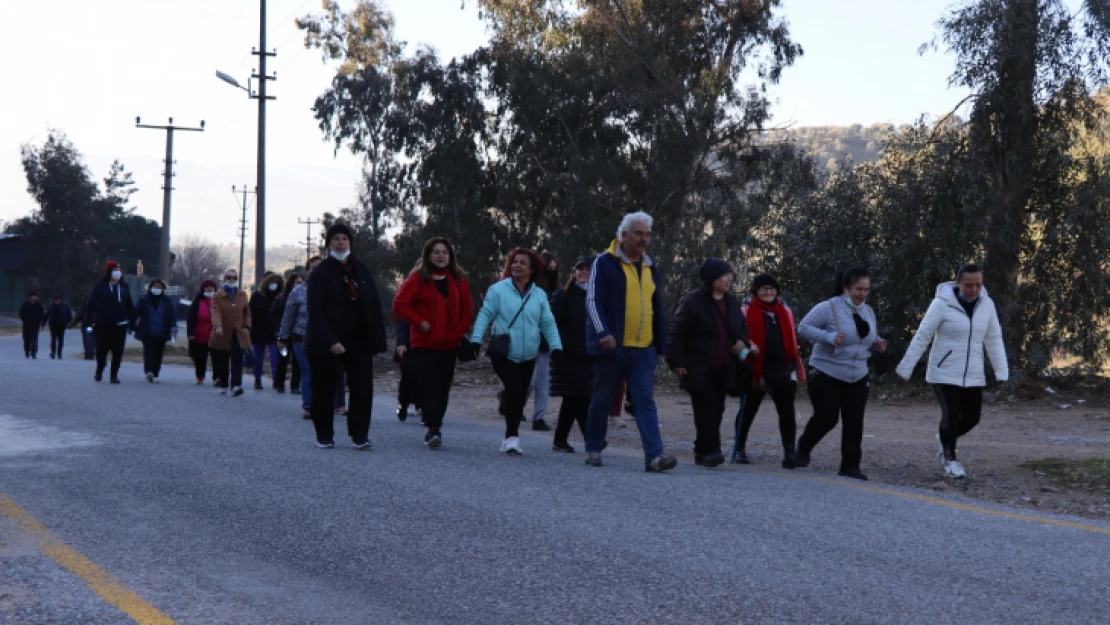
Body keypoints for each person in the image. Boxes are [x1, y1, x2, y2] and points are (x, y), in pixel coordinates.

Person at [583, 212, 678, 472]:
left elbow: (654, 305)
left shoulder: (649, 266)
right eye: (638, 233)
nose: (644, 239)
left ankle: (654, 457)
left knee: (644, 400)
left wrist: (660, 344)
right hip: (612, 347)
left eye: (647, 234)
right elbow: (592, 301)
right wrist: (603, 333)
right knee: (603, 397)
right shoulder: (604, 262)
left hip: (643, 348)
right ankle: (593, 445)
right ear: (623, 235)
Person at [896, 264, 1008, 479]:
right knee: (952, 414)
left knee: (972, 418)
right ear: (958, 284)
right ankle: (950, 460)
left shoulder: (987, 305)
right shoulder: (941, 304)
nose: (973, 289)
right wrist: (905, 368)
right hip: (943, 371)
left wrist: (1001, 371)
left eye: (978, 285)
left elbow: (994, 338)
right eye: (968, 285)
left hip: (973, 373)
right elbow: (923, 335)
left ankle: (945, 436)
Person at [795, 267, 887, 481]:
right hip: (826, 370)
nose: (862, 294)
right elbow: (803, 327)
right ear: (846, 288)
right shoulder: (828, 307)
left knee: (854, 420)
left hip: (858, 373)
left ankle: (850, 466)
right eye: (858, 289)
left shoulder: (868, 311)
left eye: (866, 289)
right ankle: (803, 448)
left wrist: (877, 343)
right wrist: (828, 337)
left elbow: (864, 336)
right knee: (827, 417)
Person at [469, 248, 563, 455]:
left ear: (532, 269)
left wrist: (557, 346)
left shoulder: (538, 295)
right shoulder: (498, 290)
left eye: (522, 263)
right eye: (515, 262)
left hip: (529, 353)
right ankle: (512, 437)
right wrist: (476, 339)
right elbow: (485, 314)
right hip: (504, 352)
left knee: (518, 396)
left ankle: (509, 433)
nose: (516, 266)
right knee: (514, 390)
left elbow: (547, 322)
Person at [304, 225, 387, 449]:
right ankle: (324, 434)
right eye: (336, 239)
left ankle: (359, 435)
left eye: (344, 239)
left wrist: (377, 339)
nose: (341, 242)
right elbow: (315, 310)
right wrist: (331, 340)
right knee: (324, 388)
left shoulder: (360, 270)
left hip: (358, 339)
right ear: (329, 243)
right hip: (327, 340)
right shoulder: (321, 272)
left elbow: (373, 304)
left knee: (362, 388)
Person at [666, 259, 752, 468]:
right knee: (704, 409)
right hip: (699, 366)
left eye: (730, 275)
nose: (729, 278)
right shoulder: (693, 301)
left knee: (718, 409)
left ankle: (707, 448)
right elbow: (677, 332)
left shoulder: (732, 302)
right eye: (724, 275)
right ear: (711, 278)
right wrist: (676, 361)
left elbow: (742, 328)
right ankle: (708, 451)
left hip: (725, 366)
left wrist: (743, 342)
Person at [393, 236, 474, 449]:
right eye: (436, 252)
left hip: (450, 344)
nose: (440, 255)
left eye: (445, 252)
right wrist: (420, 323)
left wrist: (460, 329)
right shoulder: (418, 279)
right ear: (428, 256)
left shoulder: (459, 279)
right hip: (423, 343)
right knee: (429, 385)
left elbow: (467, 308)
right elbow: (400, 305)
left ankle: (435, 422)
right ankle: (433, 429)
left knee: (443, 387)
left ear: (450, 256)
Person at [735, 273, 804, 468]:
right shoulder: (746, 311)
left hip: (783, 368)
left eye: (772, 288)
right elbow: (739, 337)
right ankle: (739, 448)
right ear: (756, 291)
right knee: (748, 411)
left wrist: (795, 363)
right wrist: (749, 348)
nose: (768, 292)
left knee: (787, 413)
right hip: (757, 369)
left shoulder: (785, 311)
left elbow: (791, 337)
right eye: (764, 288)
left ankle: (790, 453)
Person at [549, 255, 596, 453]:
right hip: (567, 356)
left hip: (589, 355)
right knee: (580, 397)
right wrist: (565, 343)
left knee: (574, 398)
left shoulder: (597, 296)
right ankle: (592, 440)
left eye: (588, 268)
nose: (583, 272)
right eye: (580, 268)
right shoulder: (563, 295)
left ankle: (560, 439)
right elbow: (551, 322)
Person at [279, 257, 323, 420]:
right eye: (313, 268)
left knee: (324, 372)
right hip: (301, 338)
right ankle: (309, 405)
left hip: (326, 339)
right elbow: (288, 317)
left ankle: (325, 403)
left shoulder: (332, 290)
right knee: (308, 370)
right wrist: (283, 337)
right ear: (308, 271)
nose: (317, 271)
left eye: (320, 267)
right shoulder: (297, 292)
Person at [524, 251, 560, 431]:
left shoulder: (557, 291)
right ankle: (512, 403)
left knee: (543, 382)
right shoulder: (532, 288)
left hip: (546, 343)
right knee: (529, 380)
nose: (552, 271)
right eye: (549, 268)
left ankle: (539, 417)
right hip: (528, 340)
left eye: (554, 268)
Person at [84, 262, 136, 383]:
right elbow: (91, 304)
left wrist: (133, 322)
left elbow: (129, 305)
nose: (118, 271)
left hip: (120, 325)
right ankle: (99, 369)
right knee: (102, 350)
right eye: (115, 269)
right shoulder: (101, 286)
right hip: (103, 324)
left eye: (119, 269)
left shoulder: (124, 286)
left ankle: (114, 375)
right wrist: (88, 320)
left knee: (118, 351)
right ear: (109, 271)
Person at [209, 268, 252, 397]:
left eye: (234, 278)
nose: (231, 280)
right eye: (229, 277)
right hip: (223, 333)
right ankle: (223, 384)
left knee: (237, 360)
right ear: (224, 278)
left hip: (238, 333)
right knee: (223, 360)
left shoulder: (242, 295)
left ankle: (236, 386)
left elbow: (247, 313)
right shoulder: (218, 296)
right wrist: (217, 326)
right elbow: (215, 312)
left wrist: (247, 326)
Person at [133, 278, 178, 382]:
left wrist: (173, 327)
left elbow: (171, 315)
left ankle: (155, 371)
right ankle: (149, 371)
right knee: (148, 351)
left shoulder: (166, 301)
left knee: (158, 352)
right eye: (155, 287)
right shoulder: (144, 299)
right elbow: (136, 312)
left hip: (162, 331)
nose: (157, 289)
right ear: (150, 288)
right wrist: (132, 324)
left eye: (159, 287)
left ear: (163, 289)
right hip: (147, 331)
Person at [250, 273, 284, 391]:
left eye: (276, 283)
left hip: (274, 332)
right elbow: (251, 314)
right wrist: (249, 331)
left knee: (275, 356)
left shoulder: (280, 297)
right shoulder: (257, 296)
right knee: (258, 358)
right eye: (271, 282)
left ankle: (276, 378)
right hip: (258, 331)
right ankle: (257, 379)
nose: (274, 285)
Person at [271, 273, 304, 395]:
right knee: (283, 359)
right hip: (284, 335)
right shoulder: (281, 298)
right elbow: (273, 314)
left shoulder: (305, 297)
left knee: (297, 361)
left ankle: (295, 385)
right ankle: (280, 384)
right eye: (297, 282)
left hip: (298, 335)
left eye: (301, 282)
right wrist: (280, 328)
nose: (300, 285)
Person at [187, 280, 219, 384]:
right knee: (200, 358)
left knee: (217, 358)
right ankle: (200, 376)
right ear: (203, 289)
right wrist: (191, 334)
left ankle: (217, 377)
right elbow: (190, 319)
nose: (209, 289)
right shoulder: (197, 302)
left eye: (211, 288)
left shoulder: (218, 301)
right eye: (207, 287)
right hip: (199, 335)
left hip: (215, 336)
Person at [392, 320, 422, 422]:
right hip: (410, 344)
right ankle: (403, 405)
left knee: (426, 376)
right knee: (407, 378)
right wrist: (401, 342)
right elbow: (402, 321)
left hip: (427, 343)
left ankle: (422, 406)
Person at [19, 292, 45, 359]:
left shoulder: (39, 305)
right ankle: (27, 351)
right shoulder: (25, 304)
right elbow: (21, 313)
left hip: (35, 325)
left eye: (34, 296)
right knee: (26, 339)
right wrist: (24, 319)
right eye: (32, 296)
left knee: (34, 340)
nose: (33, 298)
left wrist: (40, 321)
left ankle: (34, 353)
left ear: (36, 297)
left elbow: (42, 314)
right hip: (26, 325)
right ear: (30, 297)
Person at [77, 295, 96, 360]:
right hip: (84, 326)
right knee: (85, 341)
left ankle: (91, 355)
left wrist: (95, 322)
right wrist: (73, 322)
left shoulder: (95, 308)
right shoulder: (84, 307)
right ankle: (87, 354)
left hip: (91, 326)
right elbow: (80, 315)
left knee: (90, 341)